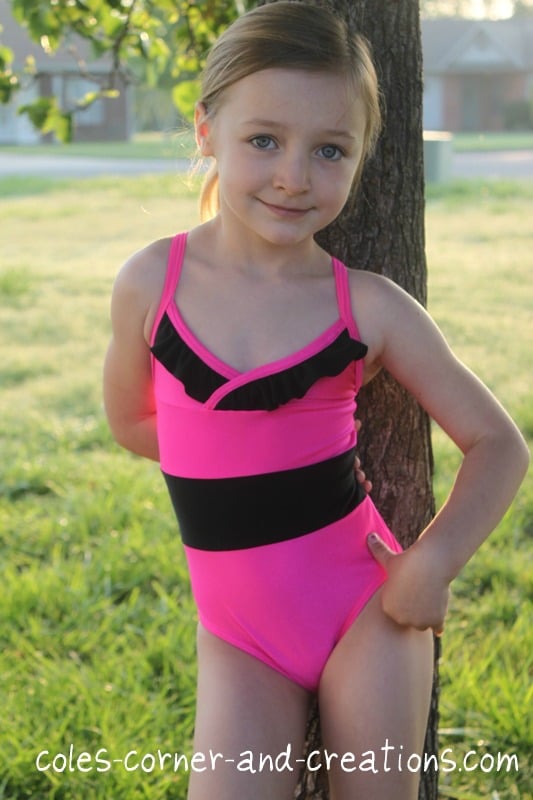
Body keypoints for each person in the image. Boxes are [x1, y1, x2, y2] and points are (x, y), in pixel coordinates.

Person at [103, 4, 529, 799]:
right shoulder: (149, 285)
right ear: (206, 132)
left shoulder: (367, 309)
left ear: (362, 159)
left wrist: (430, 565)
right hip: (237, 636)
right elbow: (130, 421)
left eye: (328, 150)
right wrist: (228, 453)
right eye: (263, 140)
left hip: (367, 609)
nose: (294, 175)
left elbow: (500, 445)